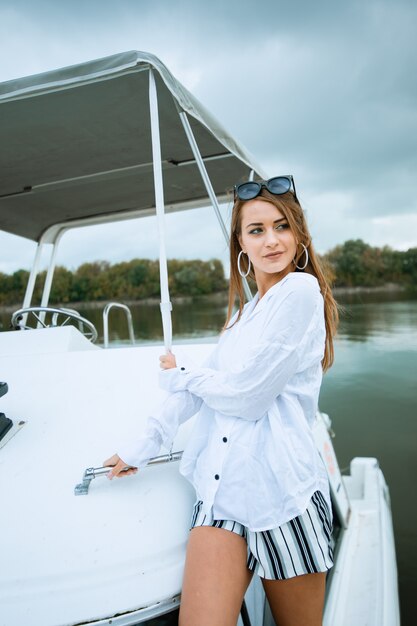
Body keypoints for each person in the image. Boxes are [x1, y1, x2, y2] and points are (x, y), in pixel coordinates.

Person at [104, 175, 339, 626]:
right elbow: (208, 388)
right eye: (256, 230)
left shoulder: (300, 292)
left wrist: (183, 378)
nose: (272, 241)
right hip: (222, 492)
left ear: (299, 234)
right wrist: (145, 443)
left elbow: (247, 397)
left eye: (282, 226)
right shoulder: (244, 315)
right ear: (241, 244)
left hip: (285, 495)